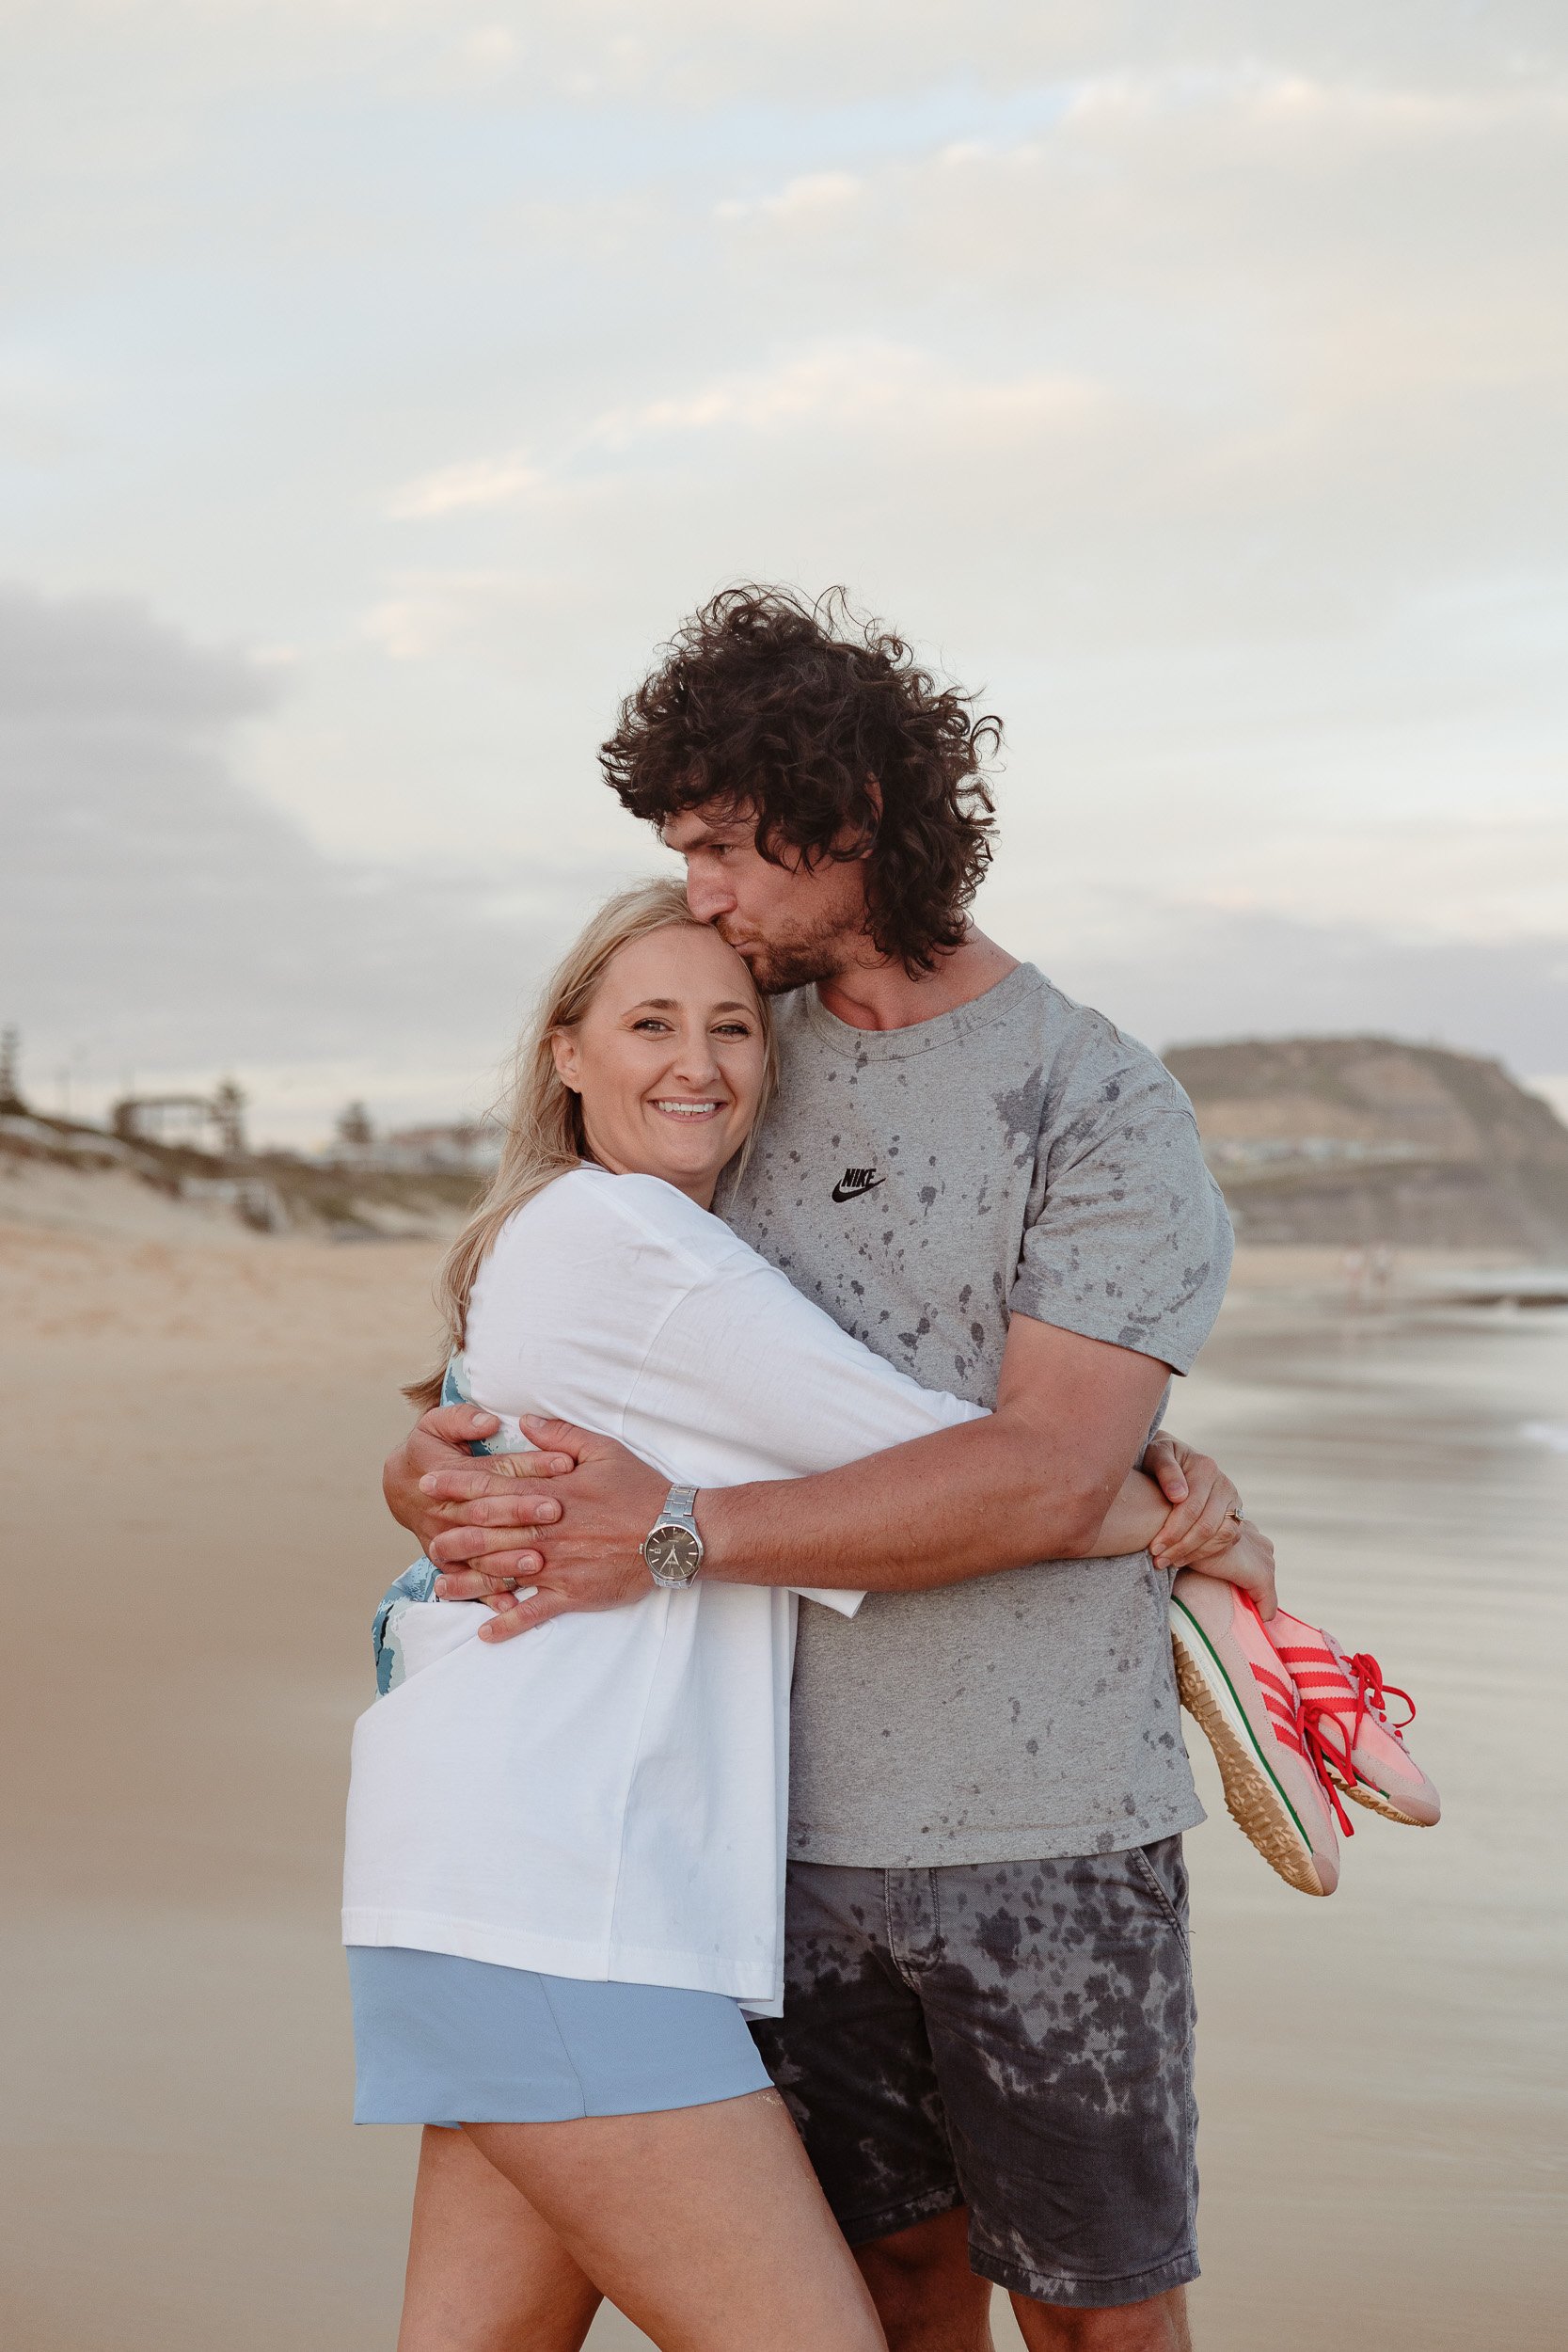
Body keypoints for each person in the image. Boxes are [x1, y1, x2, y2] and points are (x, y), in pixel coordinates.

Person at [386, 588, 1272, 2352]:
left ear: (850, 811)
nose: (702, 896)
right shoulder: (736, 1063)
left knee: (1100, 2319)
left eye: (724, 845)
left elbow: (1035, 1478)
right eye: (681, 854)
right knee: (884, 2298)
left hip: (1048, 1826)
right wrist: (431, 1476)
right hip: (762, 1843)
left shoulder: (1090, 1102)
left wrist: (679, 1537)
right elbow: (575, 1361)